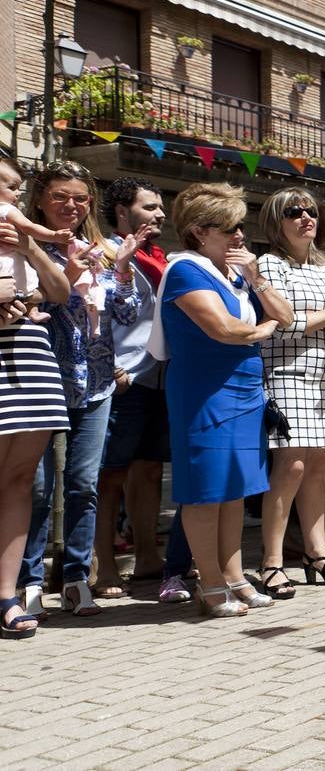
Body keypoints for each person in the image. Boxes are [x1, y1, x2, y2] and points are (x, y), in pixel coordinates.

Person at [150, 182, 291, 617]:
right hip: (204, 392)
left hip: (246, 391)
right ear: (198, 231)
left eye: (240, 226)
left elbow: (285, 316)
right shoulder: (185, 270)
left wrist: (257, 278)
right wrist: (262, 330)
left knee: (235, 490)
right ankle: (210, 585)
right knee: (205, 492)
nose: (240, 236)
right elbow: (225, 330)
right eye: (229, 228)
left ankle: (234, 578)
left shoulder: (233, 274)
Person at [21, 161, 142, 617]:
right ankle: (28, 580)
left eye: (80, 198)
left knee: (83, 485)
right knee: (34, 489)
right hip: (40, 380)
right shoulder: (26, 246)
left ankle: (75, 580)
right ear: (39, 200)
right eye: (59, 197)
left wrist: (125, 271)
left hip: (94, 384)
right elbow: (24, 302)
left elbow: (127, 317)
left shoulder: (106, 250)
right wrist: (66, 277)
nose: (71, 206)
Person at [255, 188, 325, 596]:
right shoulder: (268, 264)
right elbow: (284, 323)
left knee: (320, 465)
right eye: (294, 211)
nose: (306, 217)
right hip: (287, 372)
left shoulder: (324, 268)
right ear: (276, 220)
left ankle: (316, 551)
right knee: (292, 468)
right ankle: (271, 561)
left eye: (312, 211)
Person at [94, 177, 171, 594]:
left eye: (160, 207)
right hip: (122, 378)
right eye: (149, 207)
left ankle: (146, 557)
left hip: (158, 376)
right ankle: (103, 566)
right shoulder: (103, 252)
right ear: (122, 213)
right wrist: (110, 369)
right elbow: (94, 311)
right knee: (109, 476)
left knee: (150, 470)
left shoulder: (159, 258)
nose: (160, 214)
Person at [0, 202, 71, 637]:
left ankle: (6, 594)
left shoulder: (21, 240)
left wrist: (30, 246)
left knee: (21, 479)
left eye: (13, 186)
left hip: (31, 359)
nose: (10, 195)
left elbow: (60, 292)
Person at [0, 160, 71, 322]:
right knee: (26, 280)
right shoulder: (7, 209)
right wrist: (54, 235)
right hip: (9, 266)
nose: (18, 193)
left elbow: (59, 294)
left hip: (26, 336)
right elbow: (29, 227)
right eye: (12, 188)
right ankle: (32, 310)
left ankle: (31, 310)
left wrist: (30, 247)